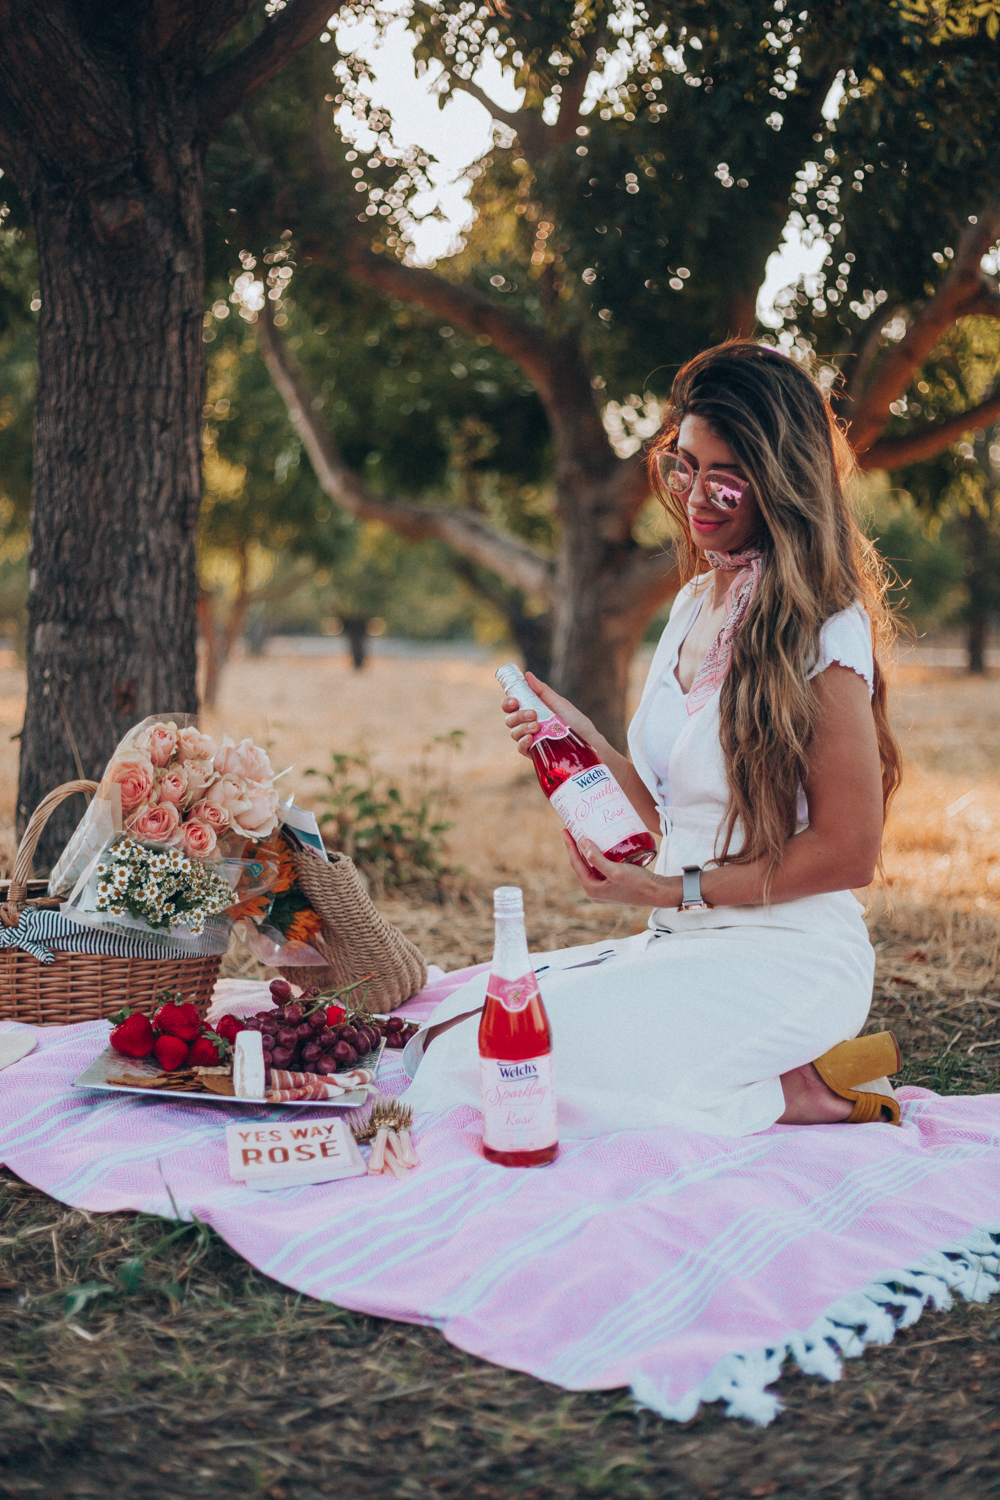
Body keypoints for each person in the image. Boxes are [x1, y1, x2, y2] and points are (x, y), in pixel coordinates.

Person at [402, 342, 904, 1138]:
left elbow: (850, 851)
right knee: (442, 1032)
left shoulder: (824, 630)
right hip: (682, 941)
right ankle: (777, 1082)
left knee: (488, 1069)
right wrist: (582, 737)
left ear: (781, 480)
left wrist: (673, 891)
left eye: (723, 475)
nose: (696, 496)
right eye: (685, 465)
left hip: (787, 958)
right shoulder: (695, 600)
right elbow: (667, 814)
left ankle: (790, 1089)